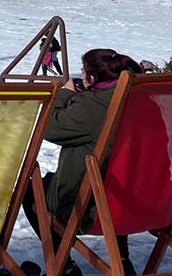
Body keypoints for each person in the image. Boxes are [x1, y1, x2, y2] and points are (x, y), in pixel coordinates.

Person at [21, 49, 142, 276]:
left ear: (93, 78)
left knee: (30, 189)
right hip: (143, 203)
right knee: (118, 175)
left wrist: (66, 94)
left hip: (88, 210)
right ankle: (122, 261)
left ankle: (64, 266)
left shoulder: (92, 106)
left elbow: (48, 128)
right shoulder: (145, 99)